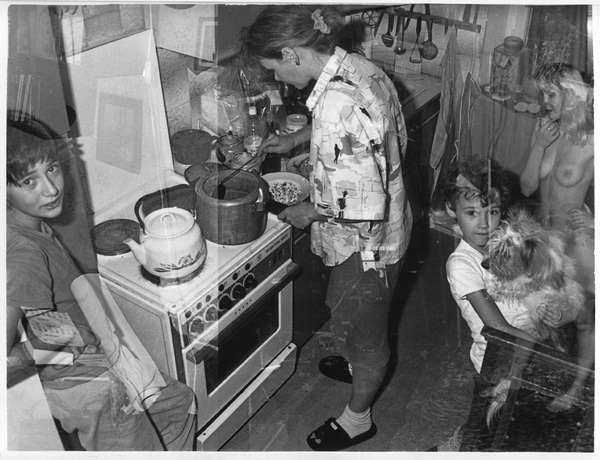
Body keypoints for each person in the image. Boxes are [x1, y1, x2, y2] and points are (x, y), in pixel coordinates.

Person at [240, 5, 412, 451]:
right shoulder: (355, 66)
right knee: (352, 316)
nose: (277, 78)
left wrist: (308, 212)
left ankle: (358, 419)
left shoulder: (337, 104)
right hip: (387, 227)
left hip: (366, 246)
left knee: (368, 336)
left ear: (291, 53)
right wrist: (300, 138)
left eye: (274, 67)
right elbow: (369, 132)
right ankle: (358, 365)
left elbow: (362, 205)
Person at [6, 114, 198, 451]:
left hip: (95, 360)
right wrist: (70, 341)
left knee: (178, 404)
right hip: (88, 384)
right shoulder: (25, 253)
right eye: (28, 181)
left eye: (52, 169)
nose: (51, 189)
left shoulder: (30, 226)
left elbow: (43, 314)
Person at [429, 158, 540, 451]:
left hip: (527, 347)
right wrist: (541, 351)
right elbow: (498, 327)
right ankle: (452, 449)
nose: (483, 224)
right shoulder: (462, 263)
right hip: (497, 360)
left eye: (492, 212)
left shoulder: (508, 244)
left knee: (508, 424)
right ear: (452, 211)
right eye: (471, 213)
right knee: (487, 428)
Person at [519, 62, 594, 411]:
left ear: (572, 95)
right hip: (547, 239)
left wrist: (594, 223)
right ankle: (515, 379)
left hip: (578, 245)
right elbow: (527, 186)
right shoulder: (546, 130)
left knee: (584, 320)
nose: (544, 101)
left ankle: (576, 389)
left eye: (551, 94)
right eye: (542, 94)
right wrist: (538, 144)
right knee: (535, 310)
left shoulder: (593, 139)